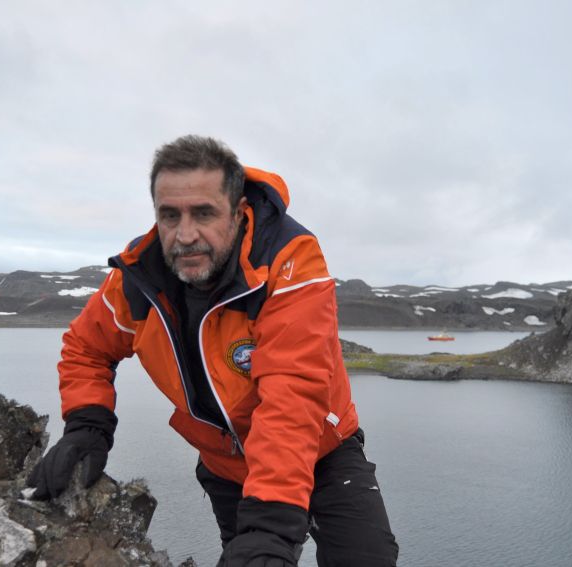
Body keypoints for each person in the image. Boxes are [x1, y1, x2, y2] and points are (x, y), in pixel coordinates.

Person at [28, 135, 398, 566]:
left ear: (238, 212)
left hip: (322, 449)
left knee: (367, 558)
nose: (186, 235)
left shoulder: (288, 261)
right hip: (227, 466)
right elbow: (86, 347)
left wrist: (270, 523)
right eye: (170, 215)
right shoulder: (139, 279)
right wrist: (87, 425)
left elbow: (292, 392)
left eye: (203, 213)